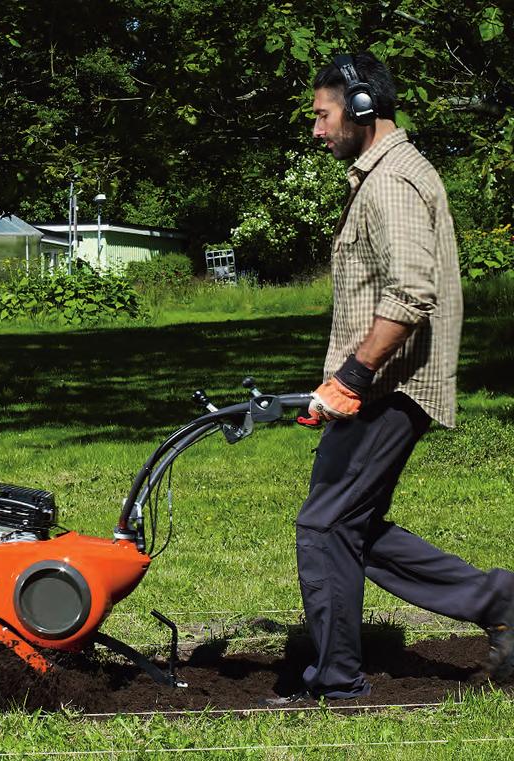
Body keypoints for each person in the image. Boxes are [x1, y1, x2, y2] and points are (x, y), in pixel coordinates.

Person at [269, 52, 514, 704]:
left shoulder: (392, 181)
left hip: (393, 386)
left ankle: (339, 684)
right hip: (380, 384)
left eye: (322, 116)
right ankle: (498, 598)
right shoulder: (382, 175)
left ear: (360, 109)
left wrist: (351, 377)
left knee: (325, 527)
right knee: (347, 526)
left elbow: (411, 290)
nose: (316, 130)